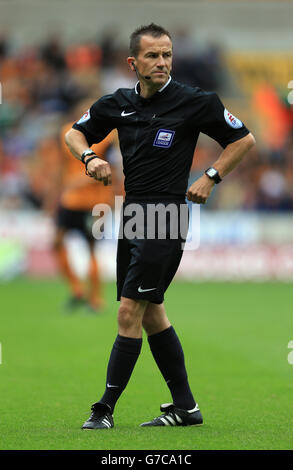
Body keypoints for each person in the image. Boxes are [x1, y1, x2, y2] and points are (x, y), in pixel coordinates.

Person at [65, 23, 255, 428]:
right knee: (152, 314)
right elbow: (74, 134)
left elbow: (244, 140)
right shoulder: (116, 103)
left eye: (167, 54)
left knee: (130, 310)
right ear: (133, 63)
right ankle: (186, 408)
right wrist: (90, 159)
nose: (162, 62)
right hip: (132, 214)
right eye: (153, 55)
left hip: (166, 216)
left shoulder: (195, 101)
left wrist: (210, 177)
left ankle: (104, 409)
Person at [54, 120, 117, 312]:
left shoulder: (109, 138)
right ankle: (77, 290)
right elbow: (62, 165)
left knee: (92, 248)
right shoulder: (68, 131)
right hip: (70, 201)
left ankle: (95, 299)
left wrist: (85, 180)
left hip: (94, 203)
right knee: (56, 242)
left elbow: (115, 169)